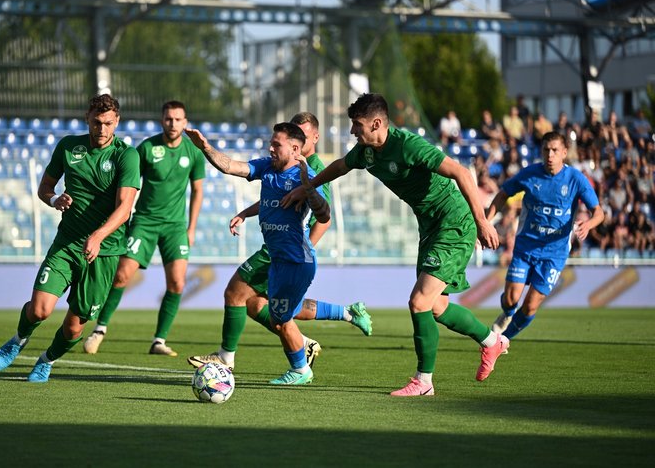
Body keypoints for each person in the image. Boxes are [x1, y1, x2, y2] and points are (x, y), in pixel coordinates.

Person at [282, 93, 508, 397]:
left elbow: (461, 172)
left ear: (376, 123)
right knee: (437, 306)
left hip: (453, 222)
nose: (353, 132)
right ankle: (492, 342)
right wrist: (307, 186)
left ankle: (423, 381)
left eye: (357, 125)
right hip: (428, 227)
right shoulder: (367, 151)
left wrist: (481, 220)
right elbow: (339, 166)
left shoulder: (408, 145)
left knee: (419, 302)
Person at [187, 112, 371, 372]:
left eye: (276, 144)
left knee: (246, 299)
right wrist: (205, 147)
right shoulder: (268, 167)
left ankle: (254, 360)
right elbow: (232, 167)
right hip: (278, 253)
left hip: (292, 255)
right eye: (271, 143)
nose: (270, 148)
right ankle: (340, 318)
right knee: (264, 306)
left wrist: (304, 248)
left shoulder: (312, 173)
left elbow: (324, 215)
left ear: (300, 145)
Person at [0, 94, 140, 382]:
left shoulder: (126, 155)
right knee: (39, 309)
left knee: (73, 328)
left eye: (108, 123)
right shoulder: (69, 146)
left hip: (105, 251)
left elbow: (125, 208)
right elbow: (45, 187)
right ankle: (19, 338)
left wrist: (97, 236)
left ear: (117, 122)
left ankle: (46, 360)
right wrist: (54, 199)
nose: (102, 129)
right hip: (68, 242)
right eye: (97, 122)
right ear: (87, 118)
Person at [82, 100, 205, 357]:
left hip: (175, 227)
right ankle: (99, 330)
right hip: (144, 222)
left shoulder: (193, 153)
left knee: (177, 283)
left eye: (178, 119)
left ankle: (159, 341)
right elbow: (128, 185)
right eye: (168, 119)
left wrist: (191, 228)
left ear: (185, 122)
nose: (173, 124)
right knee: (122, 276)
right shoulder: (147, 148)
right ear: (162, 120)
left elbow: (198, 191)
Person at [487, 131, 604, 338]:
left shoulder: (576, 179)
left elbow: (599, 212)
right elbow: (503, 193)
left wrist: (589, 224)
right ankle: (506, 314)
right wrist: (487, 221)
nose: (550, 155)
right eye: (546, 150)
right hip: (525, 247)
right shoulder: (530, 174)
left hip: (554, 253)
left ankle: (503, 341)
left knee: (530, 305)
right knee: (511, 299)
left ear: (564, 153)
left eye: (555, 150)